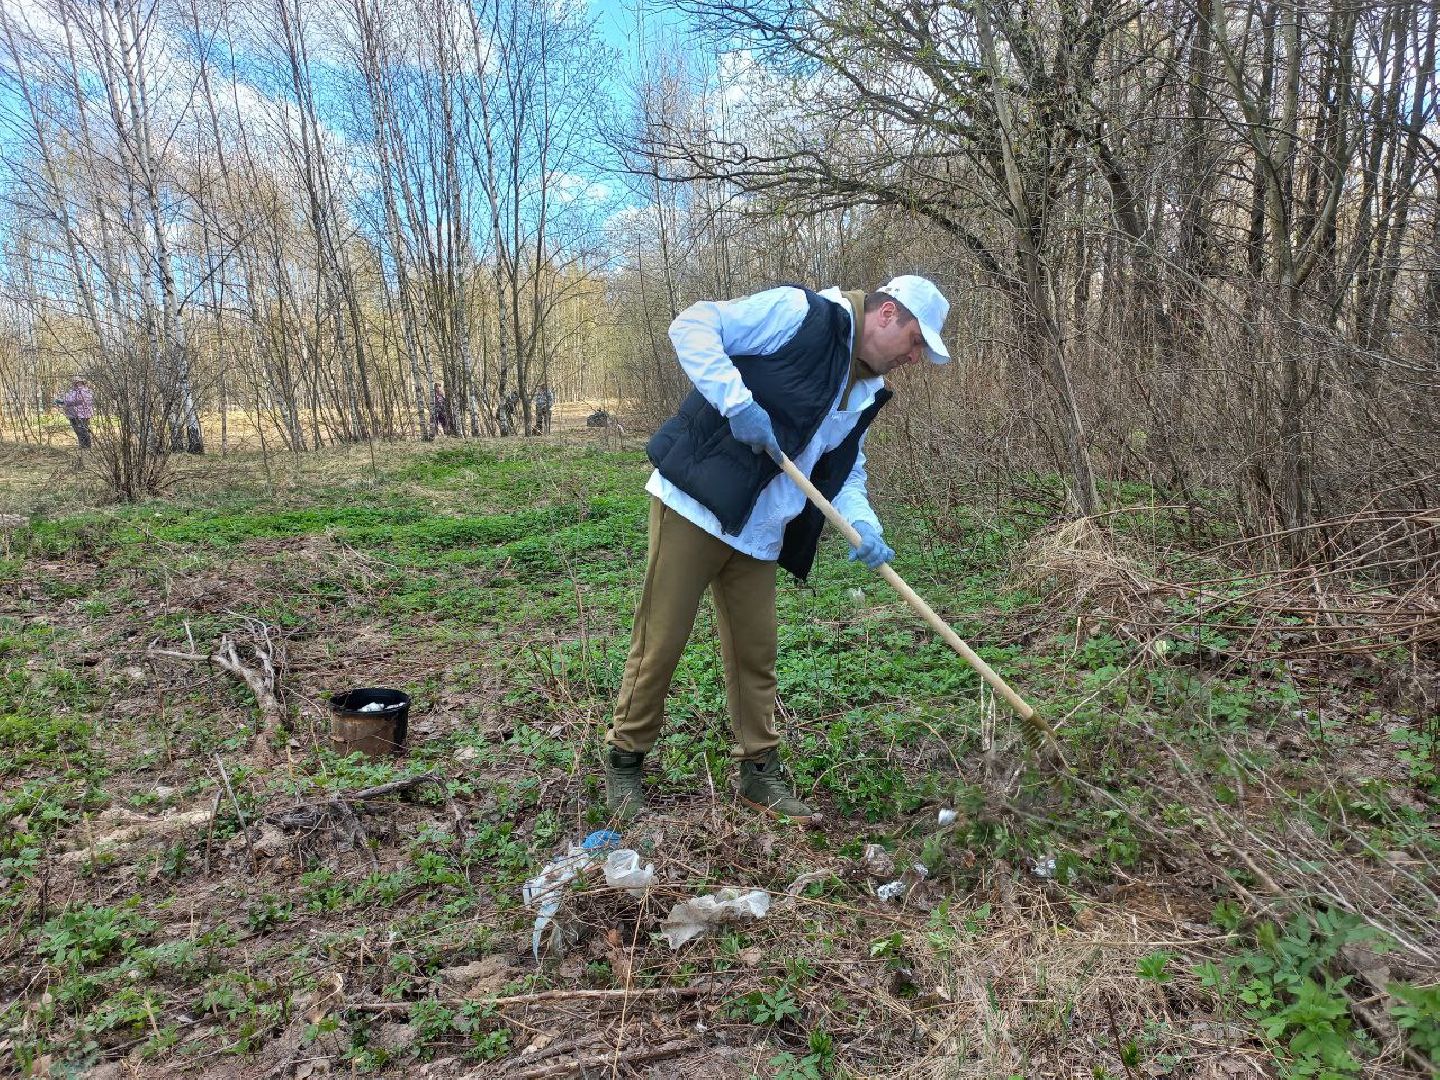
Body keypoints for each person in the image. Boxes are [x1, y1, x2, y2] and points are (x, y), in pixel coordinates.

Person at [603, 275, 951, 824]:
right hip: (697, 504)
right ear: (888, 313)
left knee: (755, 654)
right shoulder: (799, 315)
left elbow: (846, 470)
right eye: (914, 341)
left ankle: (759, 772)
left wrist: (864, 523)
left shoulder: (866, 391)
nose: (913, 357)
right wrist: (737, 402)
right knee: (661, 641)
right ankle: (625, 760)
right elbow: (693, 323)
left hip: (760, 528)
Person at [55, 376, 95, 449]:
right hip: (72, 414)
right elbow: (68, 399)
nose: (77, 383)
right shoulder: (72, 391)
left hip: (82, 414)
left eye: (79, 382)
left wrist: (65, 402)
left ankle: (87, 446)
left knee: (82, 429)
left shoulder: (85, 391)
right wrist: (62, 401)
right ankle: (82, 445)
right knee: (77, 430)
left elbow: (79, 400)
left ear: (82, 383)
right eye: (76, 382)